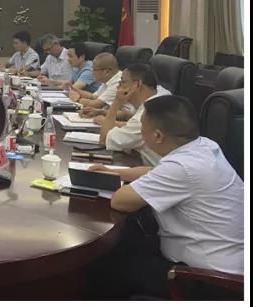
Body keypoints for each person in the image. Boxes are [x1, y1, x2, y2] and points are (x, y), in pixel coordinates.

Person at [89, 95, 243, 298]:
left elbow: (120, 201)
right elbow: (156, 172)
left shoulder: (182, 168)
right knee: (128, 243)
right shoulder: (204, 146)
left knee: (105, 264)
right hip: (231, 267)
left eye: (142, 129)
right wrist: (113, 172)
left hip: (206, 281)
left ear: (158, 136)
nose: (141, 133)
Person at [98, 63, 170, 166]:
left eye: (122, 82)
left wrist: (117, 102)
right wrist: (116, 123)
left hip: (156, 171)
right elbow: (131, 120)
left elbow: (104, 139)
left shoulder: (146, 115)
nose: (118, 87)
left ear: (137, 84)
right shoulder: (162, 96)